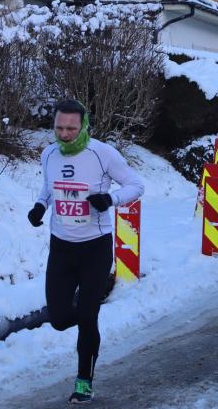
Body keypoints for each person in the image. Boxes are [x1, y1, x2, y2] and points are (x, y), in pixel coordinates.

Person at [27, 99, 144, 405]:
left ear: (84, 127)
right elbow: (49, 188)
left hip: (95, 246)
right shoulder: (48, 153)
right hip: (62, 247)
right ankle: (88, 320)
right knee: (60, 317)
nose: (64, 134)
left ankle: (83, 381)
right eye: (59, 127)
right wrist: (40, 206)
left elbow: (136, 184)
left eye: (71, 128)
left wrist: (111, 199)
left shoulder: (102, 153)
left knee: (88, 315)